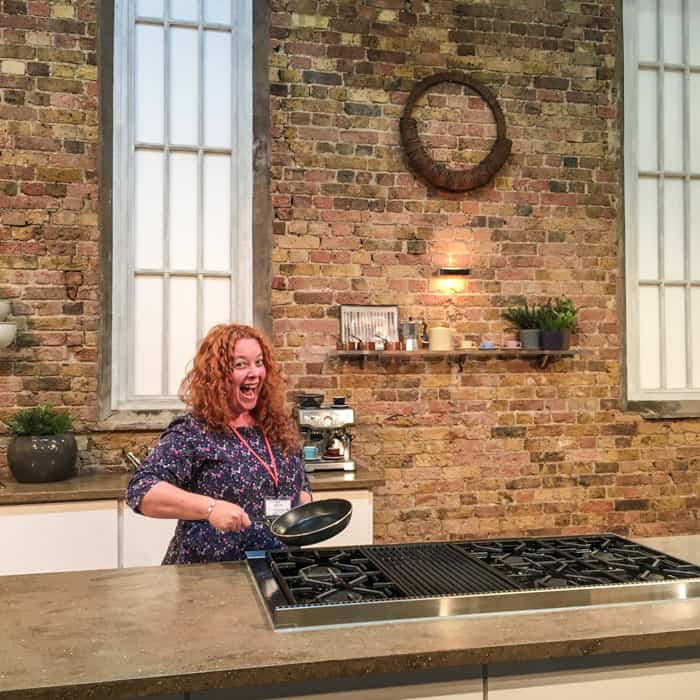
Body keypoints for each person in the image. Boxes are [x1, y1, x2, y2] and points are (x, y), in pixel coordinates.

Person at [125, 323, 312, 564]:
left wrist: (305, 508)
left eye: (259, 362)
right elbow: (141, 490)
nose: (254, 372)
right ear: (218, 375)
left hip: (279, 566)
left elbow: (299, 485)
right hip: (211, 575)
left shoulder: (277, 425)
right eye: (240, 364)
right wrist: (210, 508)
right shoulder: (194, 430)